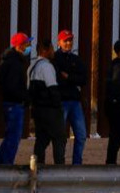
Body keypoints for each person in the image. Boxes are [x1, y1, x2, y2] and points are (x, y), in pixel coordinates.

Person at [28, 38, 67, 165]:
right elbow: (52, 88)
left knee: (41, 140)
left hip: (38, 109)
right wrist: (58, 106)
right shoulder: (47, 67)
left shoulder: (32, 67)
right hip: (50, 110)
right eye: (51, 48)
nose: (53, 51)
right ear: (44, 50)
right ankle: (59, 167)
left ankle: (38, 166)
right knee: (59, 139)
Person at [0, 32, 32, 165]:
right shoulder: (14, 63)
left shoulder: (11, 61)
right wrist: (25, 97)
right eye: (27, 44)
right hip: (14, 104)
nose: (29, 46)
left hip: (12, 103)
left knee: (10, 136)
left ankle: (1, 162)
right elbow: (12, 86)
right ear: (20, 46)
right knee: (13, 137)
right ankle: (6, 164)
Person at [53, 30, 88, 165]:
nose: (68, 43)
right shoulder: (55, 59)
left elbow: (83, 79)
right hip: (62, 101)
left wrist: (68, 77)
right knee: (61, 136)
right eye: (65, 40)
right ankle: (60, 162)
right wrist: (73, 79)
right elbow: (58, 79)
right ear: (59, 42)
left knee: (81, 134)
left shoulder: (76, 59)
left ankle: (77, 163)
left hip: (74, 101)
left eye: (70, 40)